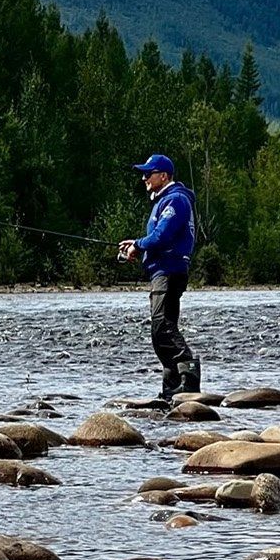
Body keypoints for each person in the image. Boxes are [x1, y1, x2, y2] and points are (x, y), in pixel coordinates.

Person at [116, 154, 201, 400]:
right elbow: (158, 238)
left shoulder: (176, 200)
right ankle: (172, 388)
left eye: (148, 173)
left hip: (169, 270)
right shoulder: (165, 201)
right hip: (163, 270)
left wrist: (139, 245)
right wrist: (138, 246)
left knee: (161, 327)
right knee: (163, 328)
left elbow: (162, 235)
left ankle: (188, 378)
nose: (144, 178)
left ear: (163, 176)